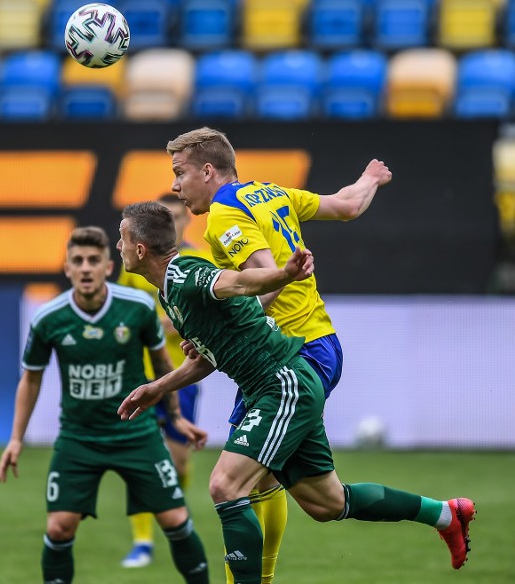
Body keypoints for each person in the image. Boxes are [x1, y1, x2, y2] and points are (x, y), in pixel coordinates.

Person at [116, 201, 475, 584]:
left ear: (140, 248)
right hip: (278, 387)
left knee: (226, 484)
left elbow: (235, 282)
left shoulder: (185, 272)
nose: (117, 247)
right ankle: (445, 514)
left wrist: (281, 274)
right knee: (328, 503)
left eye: (121, 239)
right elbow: (209, 357)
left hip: (281, 383)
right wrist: (156, 387)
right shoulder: (168, 293)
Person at [167, 126, 393, 584]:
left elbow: (267, 278)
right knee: (309, 496)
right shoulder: (268, 193)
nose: (175, 185)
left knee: (233, 482)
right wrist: (370, 178)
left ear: (208, 171)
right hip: (317, 343)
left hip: (290, 354)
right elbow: (347, 205)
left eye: (180, 173)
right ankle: (443, 515)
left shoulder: (224, 214)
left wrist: (219, 326)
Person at [0, 226, 211, 584]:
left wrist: (176, 417)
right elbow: (30, 379)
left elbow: (161, 365)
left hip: (136, 434)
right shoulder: (49, 318)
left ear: (108, 266)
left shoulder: (138, 308)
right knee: (60, 527)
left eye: (93, 260)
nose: (85, 268)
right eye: (77, 261)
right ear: (66, 269)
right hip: (79, 438)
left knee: (175, 519)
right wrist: (16, 438)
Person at [116, 193, 210, 568]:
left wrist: (183, 323)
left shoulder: (199, 260)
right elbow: (121, 312)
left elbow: (211, 315)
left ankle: (175, 518)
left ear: (185, 221)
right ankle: (142, 541)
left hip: (182, 374)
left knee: (179, 462)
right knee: (140, 459)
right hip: (141, 370)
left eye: (176, 216)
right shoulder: (133, 264)